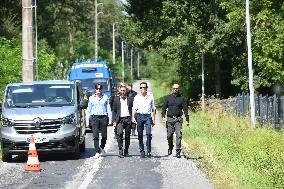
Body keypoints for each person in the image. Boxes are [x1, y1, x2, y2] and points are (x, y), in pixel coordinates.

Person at [162, 84, 189, 158]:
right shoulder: (168, 98)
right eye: (174, 88)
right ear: (172, 89)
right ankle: (170, 147)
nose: (175, 89)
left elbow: (185, 109)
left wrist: (187, 120)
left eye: (177, 88)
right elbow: (164, 108)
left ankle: (178, 151)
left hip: (178, 119)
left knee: (179, 135)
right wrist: (163, 116)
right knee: (169, 135)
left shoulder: (182, 98)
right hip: (170, 119)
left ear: (179, 89)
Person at [86, 83, 112, 158]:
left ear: (102, 89)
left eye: (100, 89)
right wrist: (87, 121)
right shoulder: (91, 98)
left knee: (104, 135)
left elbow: (108, 109)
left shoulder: (105, 97)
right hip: (94, 118)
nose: (98, 90)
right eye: (97, 89)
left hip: (103, 117)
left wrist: (110, 119)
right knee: (95, 135)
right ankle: (97, 151)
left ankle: (101, 147)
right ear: (95, 89)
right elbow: (88, 110)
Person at [132, 82, 156, 158]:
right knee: (140, 135)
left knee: (148, 134)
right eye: (141, 87)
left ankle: (148, 151)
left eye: (144, 87)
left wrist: (154, 119)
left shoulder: (151, 96)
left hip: (148, 117)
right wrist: (133, 117)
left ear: (146, 88)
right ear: (140, 88)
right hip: (139, 116)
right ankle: (142, 151)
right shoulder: (136, 97)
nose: (143, 89)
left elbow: (153, 109)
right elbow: (134, 108)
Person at [112, 85, 134, 158]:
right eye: (121, 90)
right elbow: (114, 111)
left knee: (127, 136)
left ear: (126, 91)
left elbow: (133, 109)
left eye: (124, 90)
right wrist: (114, 121)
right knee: (119, 133)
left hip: (128, 119)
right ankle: (120, 149)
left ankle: (126, 151)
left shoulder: (131, 99)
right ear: (119, 91)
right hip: (120, 120)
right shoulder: (116, 99)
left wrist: (133, 118)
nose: (122, 92)